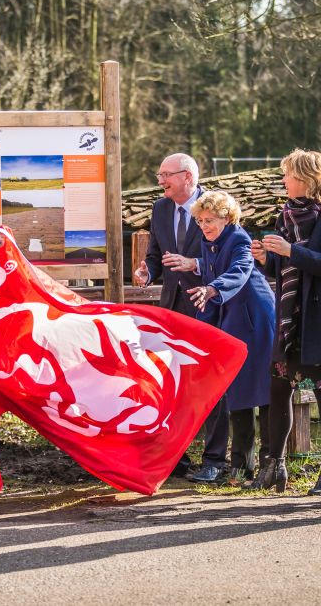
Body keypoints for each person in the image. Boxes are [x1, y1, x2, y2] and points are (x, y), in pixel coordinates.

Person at [251, 149, 321, 494]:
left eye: (288, 175)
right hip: (291, 318)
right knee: (279, 389)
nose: (284, 181)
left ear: (307, 178)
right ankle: (275, 465)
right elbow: (283, 271)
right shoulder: (286, 215)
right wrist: (267, 258)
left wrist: (289, 251)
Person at [131, 153, 218, 479]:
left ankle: (214, 460)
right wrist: (147, 272)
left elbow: (228, 258)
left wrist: (195, 266)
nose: (160, 180)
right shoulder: (161, 208)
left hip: (208, 306)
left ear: (188, 177)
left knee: (210, 384)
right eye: (160, 175)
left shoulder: (215, 205)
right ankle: (177, 459)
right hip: (172, 310)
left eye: (166, 175)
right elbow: (155, 256)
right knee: (173, 385)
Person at [182, 191, 274, 484]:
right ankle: (240, 465)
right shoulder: (208, 242)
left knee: (262, 392)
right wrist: (202, 332)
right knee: (235, 393)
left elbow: (239, 271)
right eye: (200, 220)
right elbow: (209, 292)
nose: (204, 225)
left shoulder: (239, 240)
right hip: (230, 322)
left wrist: (211, 289)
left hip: (255, 320)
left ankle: (268, 463)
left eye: (210, 220)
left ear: (226, 217)